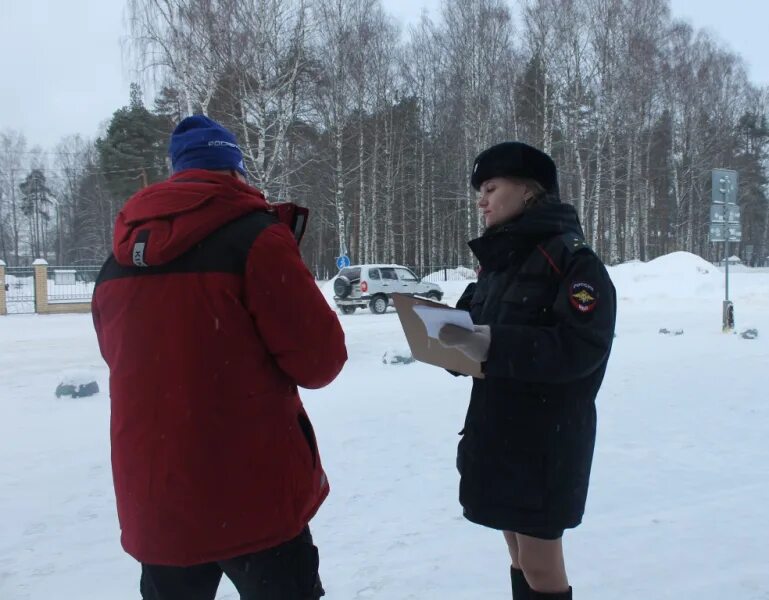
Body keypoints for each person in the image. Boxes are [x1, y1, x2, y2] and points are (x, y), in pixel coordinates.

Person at [92, 115, 347, 600]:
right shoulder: (256, 238)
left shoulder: (119, 258)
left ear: (176, 173)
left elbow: (120, 357)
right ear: (235, 172)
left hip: (157, 497)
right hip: (252, 496)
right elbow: (321, 362)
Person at [438, 141, 616, 599]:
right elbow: (475, 326)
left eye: (491, 188)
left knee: (540, 564)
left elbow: (580, 348)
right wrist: (446, 338)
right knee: (517, 552)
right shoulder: (499, 263)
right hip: (498, 433)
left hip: (545, 443)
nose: (481, 200)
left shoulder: (574, 261)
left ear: (529, 191)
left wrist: (490, 343)